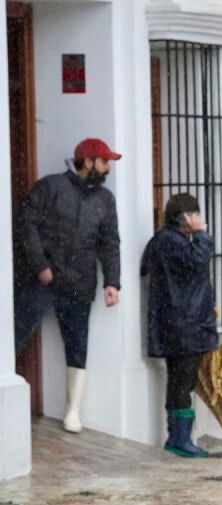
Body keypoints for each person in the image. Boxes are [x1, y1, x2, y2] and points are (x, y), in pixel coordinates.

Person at [13, 137, 122, 433]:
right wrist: (40, 265)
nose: (108, 168)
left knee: (77, 345)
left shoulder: (105, 199)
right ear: (88, 162)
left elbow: (110, 243)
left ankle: (72, 412)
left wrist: (112, 282)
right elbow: (26, 225)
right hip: (41, 280)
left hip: (80, 282)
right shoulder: (50, 187)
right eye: (104, 161)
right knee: (15, 334)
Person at [141, 194, 218, 458]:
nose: (200, 220)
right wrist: (202, 234)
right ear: (185, 217)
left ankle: (179, 437)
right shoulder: (169, 241)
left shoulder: (169, 241)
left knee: (181, 381)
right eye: (195, 215)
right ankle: (179, 439)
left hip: (183, 323)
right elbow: (197, 262)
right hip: (183, 325)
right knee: (181, 382)